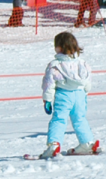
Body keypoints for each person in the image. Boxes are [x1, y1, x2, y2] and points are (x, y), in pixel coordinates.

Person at [41, 31, 97, 159]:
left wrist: (47, 99)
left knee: (59, 119)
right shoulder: (82, 63)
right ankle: (87, 142)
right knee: (80, 118)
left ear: (60, 47)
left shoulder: (55, 65)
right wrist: (85, 92)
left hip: (63, 95)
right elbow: (87, 81)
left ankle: (54, 144)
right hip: (79, 95)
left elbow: (49, 83)